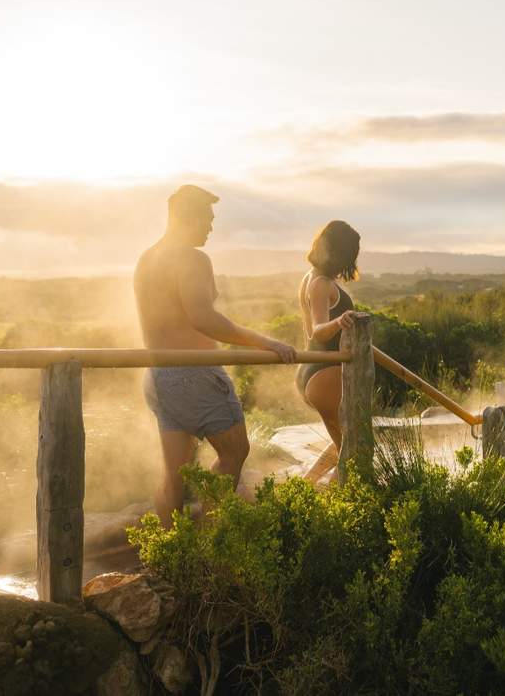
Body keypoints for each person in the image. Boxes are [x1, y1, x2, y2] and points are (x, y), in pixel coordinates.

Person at [133, 184, 296, 523]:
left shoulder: (148, 259)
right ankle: (211, 545)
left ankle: (170, 555)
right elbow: (203, 318)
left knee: (175, 475)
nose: (210, 226)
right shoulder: (192, 258)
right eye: (206, 219)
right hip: (194, 374)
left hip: (159, 375)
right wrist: (265, 342)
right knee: (235, 452)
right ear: (187, 217)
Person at [296, 219, 365, 482]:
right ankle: (333, 500)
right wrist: (340, 320)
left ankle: (307, 485)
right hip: (326, 373)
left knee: (344, 446)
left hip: (313, 371)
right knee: (354, 451)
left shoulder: (309, 277)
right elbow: (317, 330)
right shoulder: (321, 283)